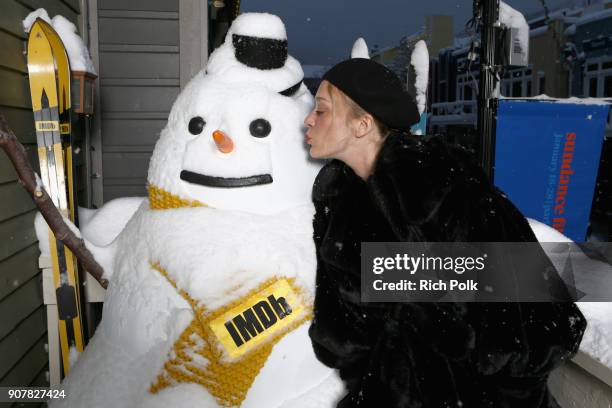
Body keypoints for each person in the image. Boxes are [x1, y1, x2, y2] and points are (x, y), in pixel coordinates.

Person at [304, 58, 586, 408]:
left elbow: (537, 321)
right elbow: (343, 333)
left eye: (321, 110)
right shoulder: (336, 205)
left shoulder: (449, 190)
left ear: (361, 125)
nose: (308, 120)